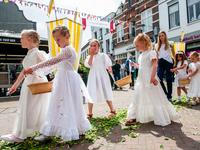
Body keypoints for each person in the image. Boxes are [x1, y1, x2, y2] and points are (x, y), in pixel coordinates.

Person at [24, 25, 92, 141]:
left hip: (66, 80)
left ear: (66, 36)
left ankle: (49, 134)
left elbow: (52, 61)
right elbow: (57, 65)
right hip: (66, 79)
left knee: (57, 104)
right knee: (70, 103)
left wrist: (34, 67)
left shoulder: (67, 50)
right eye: (55, 40)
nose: (56, 42)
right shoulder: (67, 50)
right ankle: (77, 129)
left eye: (58, 39)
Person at [1, 29, 51, 142]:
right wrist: (15, 85)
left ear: (29, 39)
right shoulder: (28, 54)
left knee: (34, 108)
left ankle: (22, 134)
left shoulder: (38, 53)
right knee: (26, 107)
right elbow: (24, 72)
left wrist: (34, 70)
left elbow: (48, 67)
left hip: (37, 83)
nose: (20, 41)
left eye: (21, 38)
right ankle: (20, 133)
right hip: (28, 83)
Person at [126, 33, 179, 126]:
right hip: (141, 79)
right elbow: (142, 67)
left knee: (154, 95)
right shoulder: (141, 55)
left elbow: (155, 65)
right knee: (138, 95)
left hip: (149, 78)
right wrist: (135, 65)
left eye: (137, 45)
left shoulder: (151, 53)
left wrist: (153, 76)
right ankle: (133, 115)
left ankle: (162, 115)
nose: (136, 47)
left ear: (143, 43)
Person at [84, 39, 116, 119]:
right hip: (93, 76)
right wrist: (91, 55)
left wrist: (109, 68)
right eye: (91, 46)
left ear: (98, 47)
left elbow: (108, 64)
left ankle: (112, 110)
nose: (93, 47)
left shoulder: (103, 55)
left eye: (94, 45)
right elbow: (89, 65)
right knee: (91, 92)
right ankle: (90, 113)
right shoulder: (88, 57)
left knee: (106, 91)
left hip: (102, 75)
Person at [156, 30, 175, 101]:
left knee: (169, 79)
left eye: (162, 35)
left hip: (168, 62)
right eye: (160, 36)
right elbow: (157, 56)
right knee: (158, 78)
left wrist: (175, 63)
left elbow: (173, 54)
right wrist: (156, 65)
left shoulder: (170, 43)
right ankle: (165, 93)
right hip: (161, 62)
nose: (161, 37)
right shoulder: (157, 45)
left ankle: (169, 95)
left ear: (165, 36)